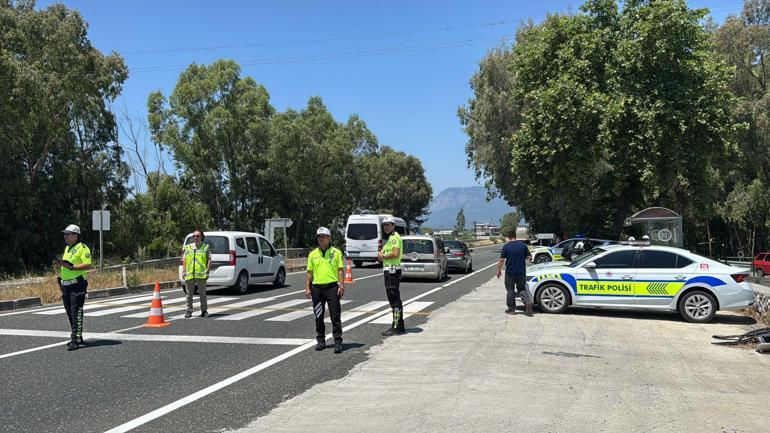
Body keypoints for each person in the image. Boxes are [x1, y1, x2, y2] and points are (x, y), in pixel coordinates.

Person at [305, 227, 345, 353]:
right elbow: (309, 273)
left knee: (335, 316)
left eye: (323, 237)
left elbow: (340, 270)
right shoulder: (312, 254)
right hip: (317, 289)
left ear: (329, 238)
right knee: (318, 316)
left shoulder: (336, 252)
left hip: (332, 288)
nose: (321, 239)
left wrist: (341, 285)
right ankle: (321, 341)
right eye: (319, 237)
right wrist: (307, 288)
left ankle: (338, 341)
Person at [57, 224, 92, 351]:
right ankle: (78, 336)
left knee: (76, 311)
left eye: (68, 234)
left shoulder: (83, 248)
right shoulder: (67, 248)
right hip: (66, 285)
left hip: (77, 284)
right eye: (65, 234)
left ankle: (75, 339)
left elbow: (87, 265)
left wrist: (71, 267)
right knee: (69, 312)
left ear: (76, 235)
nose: (65, 236)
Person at [496, 229, 533, 316]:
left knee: (510, 290)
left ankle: (511, 309)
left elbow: (501, 260)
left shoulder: (506, 247)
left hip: (510, 273)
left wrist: (499, 270)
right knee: (521, 289)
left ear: (508, 237)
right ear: (515, 236)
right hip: (521, 272)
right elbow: (529, 257)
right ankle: (527, 302)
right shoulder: (523, 245)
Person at [378, 216, 404, 336]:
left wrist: (383, 256)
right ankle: (400, 325)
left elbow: (395, 253)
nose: (386, 227)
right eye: (384, 225)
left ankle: (396, 326)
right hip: (391, 270)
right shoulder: (391, 238)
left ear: (393, 225)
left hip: (392, 272)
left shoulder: (394, 238)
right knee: (396, 298)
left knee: (394, 300)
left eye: (388, 225)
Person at [183, 230, 211, 318]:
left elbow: (209, 259)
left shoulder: (206, 247)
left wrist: (207, 271)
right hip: (190, 274)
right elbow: (185, 260)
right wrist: (184, 271)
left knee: (202, 294)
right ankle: (189, 310)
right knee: (189, 294)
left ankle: (204, 311)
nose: (195, 237)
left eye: (197, 236)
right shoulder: (187, 247)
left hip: (201, 274)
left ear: (201, 237)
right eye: (194, 236)